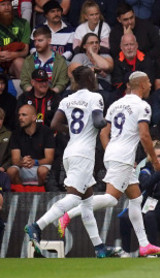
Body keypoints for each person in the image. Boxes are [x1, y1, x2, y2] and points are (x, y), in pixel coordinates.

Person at [57, 72, 160, 257]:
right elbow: (144, 135)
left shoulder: (115, 104)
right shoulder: (143, 106)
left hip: (114, 154)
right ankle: (68, 214)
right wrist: (155, 161)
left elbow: (103, 133)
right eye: (149, 82)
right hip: (123, 157)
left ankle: (144, 245)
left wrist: (111, 152)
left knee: (135, 198)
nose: (150, 85)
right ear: (141, 84)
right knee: (111, 199)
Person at [24, 66, 118, 258]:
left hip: (70, 152)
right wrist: (109, 122)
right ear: (91, 79)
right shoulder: (95, 97)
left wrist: (75, 132)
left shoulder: (67, 99)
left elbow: (54, 125)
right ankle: (37, 226)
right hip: (83, 155)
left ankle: (99, 247)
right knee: (74, 198)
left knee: (86, 202)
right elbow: (99, 122)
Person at [6, 104, 55, 186]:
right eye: (19, 115)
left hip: (41, 166)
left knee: (43, 171)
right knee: (11, 171)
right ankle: (22, 195)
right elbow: (15, 160)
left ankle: (42, 196)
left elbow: (49, 159)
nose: (20, 118)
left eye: (24, 115)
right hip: (23, 167)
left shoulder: (46, 132)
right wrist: (23, 162)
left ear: (34, 117)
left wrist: (34, 162)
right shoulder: (16, 133)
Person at [20, 27, 69, 94]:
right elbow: (24, 82)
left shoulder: (60, 61)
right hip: (32, 98)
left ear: (49, 41)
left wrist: (50, 95)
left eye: (40, 40)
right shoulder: (28, 60)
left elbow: (62, 82)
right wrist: (34, 94)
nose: (36, 44)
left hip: (53, 98)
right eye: (35, 41)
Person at [0, 0, 30, 79]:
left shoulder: (23, 23)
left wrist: (13, 55)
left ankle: (27, 91)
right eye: (2, 4)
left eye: (9, 4)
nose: (7, 8)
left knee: (20, 62)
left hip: (13, 62)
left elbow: (25, 51)